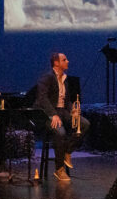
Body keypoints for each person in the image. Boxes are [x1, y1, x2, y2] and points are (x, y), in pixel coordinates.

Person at [33, 53, 90, 181]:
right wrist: (52, 115)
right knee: (60, 133)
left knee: (84, 124)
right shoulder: (47, 78)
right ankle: (59, 169)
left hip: (62, 111)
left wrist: (73, 110)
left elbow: (67, 100)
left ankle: (67, 152)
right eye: (64, 60)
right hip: (47, 114)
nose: (68, 61)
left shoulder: (65, 78)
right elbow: (42, 98)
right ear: (56, 63)